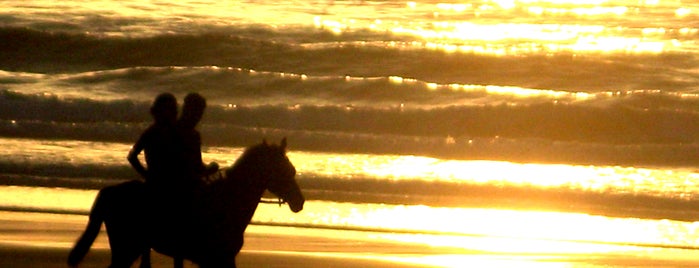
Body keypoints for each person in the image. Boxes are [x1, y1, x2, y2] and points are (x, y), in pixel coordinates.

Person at [127, 93, 179, 187]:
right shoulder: (176, 132)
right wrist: (147, 175)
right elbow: (131, 157)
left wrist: (147, 175)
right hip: (171, 183)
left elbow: (131, 156)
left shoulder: (150, 132)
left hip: (156, 180)